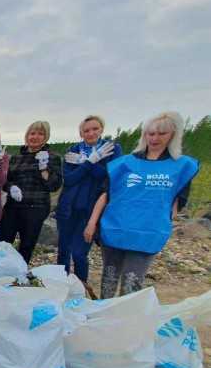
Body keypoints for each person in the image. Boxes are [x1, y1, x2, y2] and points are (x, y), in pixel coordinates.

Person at [84, 111, 199, 298]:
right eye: (151, 133)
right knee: (109, 276)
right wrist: (92, 223)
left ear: (173, 135)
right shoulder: (124, 164)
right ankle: (103, 313)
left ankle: (126, 318)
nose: (155, 138)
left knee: (132, 281)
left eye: (162, 133)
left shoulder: (181, 166)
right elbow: (105, 194)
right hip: (116, 226)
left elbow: (177, 201)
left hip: (148, 231)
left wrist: (165, 223)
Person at [56, 116, 122, 282]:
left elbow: (108, 178)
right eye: (86, 130)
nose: (90, 133)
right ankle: (61, 286)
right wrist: (90, 161)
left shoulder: (111, 149)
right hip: (68, 208)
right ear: (80, 133)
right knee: (63, 252)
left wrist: (86, 162)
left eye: (95, 129)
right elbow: (69, 180)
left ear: (102, 130)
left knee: (79, 253)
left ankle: (80, 288)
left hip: (92, 210)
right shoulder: (72, 151)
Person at [0, 121, 63, 264]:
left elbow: (55, 185)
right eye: (32, 133)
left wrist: (44, 169)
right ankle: (0, 267)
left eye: (40, 133)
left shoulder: (52, 157)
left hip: (36, 207)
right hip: (13, 205)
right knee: (2, 239)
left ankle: (19, 273)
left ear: (46, 136)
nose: (35, 137)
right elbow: (5, 181)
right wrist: (12, 187)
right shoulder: (17, 157)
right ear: (27, 135)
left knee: (27, 244)